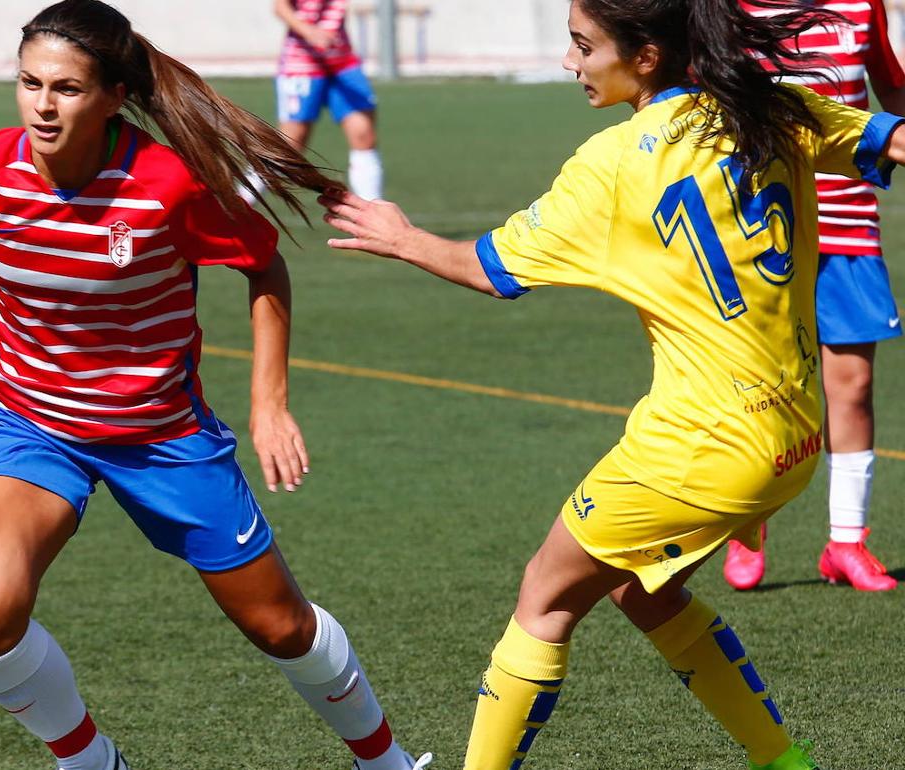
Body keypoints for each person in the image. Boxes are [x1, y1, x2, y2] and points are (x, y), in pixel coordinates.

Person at [0, 2, 431, 769]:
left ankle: (387, 761)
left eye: (66, 88)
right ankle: (91, 761)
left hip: (161, 435)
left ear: (111, 95)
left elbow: (262, 264)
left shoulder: (166, 186)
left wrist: (270, 404)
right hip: (27, 423)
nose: (42, 103)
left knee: (280, 628)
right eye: (29, 83)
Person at [320, 0, 905, 767]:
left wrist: (402, 239)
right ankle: (786, 762)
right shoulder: (769, 105)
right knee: (644, 590)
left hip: (702, 446)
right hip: (795, 434)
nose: (571, 62)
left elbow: (489, 270)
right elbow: (891, 136)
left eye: (582, 45)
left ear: (648, 54)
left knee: (545, 596)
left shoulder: (615, 162)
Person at [724, 0, 901, 592]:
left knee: (851, 386)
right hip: (759, 227)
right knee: (761, 387)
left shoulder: (861, 4)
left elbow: (892, 89)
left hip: (848, 222)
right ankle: (748, 530)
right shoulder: (727, 8)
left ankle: (847, 543)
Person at [241, 0, 384, 205]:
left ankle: (373, 211)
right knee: (291, 143)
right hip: (302, 62)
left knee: (364, 133)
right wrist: (308, 31)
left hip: (341, 60)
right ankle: (240, 201)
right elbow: (281, 6)